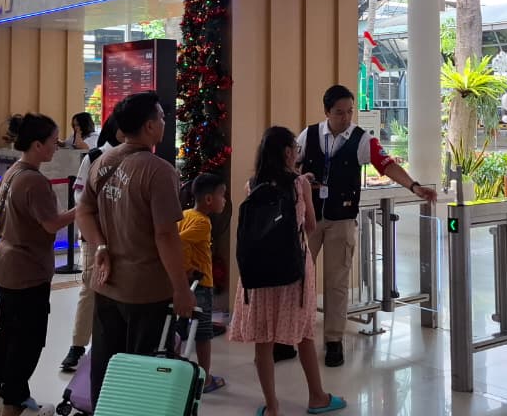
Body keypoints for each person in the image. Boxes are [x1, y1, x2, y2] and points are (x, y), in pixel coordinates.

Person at [290, 84, 438, 367]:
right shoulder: (309, 135)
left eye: (349, 111)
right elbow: (291, 165)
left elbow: (386, 165)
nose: (346, 118)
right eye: (339, 112)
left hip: (342, 219)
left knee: (337, 282)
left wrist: (414, 186)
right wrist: (297, 180)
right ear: (326, 112)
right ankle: (290, 335)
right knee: (298, 278)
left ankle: (334, 340)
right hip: (308, 218)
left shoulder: (361, 139)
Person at [77, 91, 195, 407]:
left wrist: (100, 245)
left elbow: (83, 212)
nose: (164, 123)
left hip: (107, 284)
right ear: (149, 126)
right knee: (141, 374)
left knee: (106, 367)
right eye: (162, 118)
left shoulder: (102, 162)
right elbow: (166, 235)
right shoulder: (159, 171)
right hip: (147, 291)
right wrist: (181, 289)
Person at [230, 127, 346, 416]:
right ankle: (317, 397)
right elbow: (310, 226)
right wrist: (303, 192)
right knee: (304, 335)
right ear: (286, 152)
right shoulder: (299, 184)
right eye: (295, 148)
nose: (298, 152)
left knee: (263, 341)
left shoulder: (251, 184)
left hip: (258, 271)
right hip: (293, 269)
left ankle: (272, 407)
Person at [0, 114, 78, 416]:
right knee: (28, 340)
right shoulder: (34, 180)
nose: (57, 146)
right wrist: (82, 208)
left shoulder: (12, 172)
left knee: (7, 332)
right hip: (28, 270)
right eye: (53, 141)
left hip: (7, 264)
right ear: (37, 145)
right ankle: (15, 403)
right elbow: (51, 224)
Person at [60, 117, 121, 372]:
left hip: (124, 237)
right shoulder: (95, 156)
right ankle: (78, 345)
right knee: (89, 287)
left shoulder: (136, 158)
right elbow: (79, 196)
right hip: (94, 235)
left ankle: (113, 346)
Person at [179, 172, 228, 393]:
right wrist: (189, 269)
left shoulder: (184, 214)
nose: (224, 200)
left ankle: (177, 374)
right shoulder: (203, 223)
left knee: (180, 330)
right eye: (222, 195)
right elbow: (179, 241)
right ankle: (205, 379)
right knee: (203, 334)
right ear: (209, 199)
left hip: (185, 286)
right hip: (201, 285)